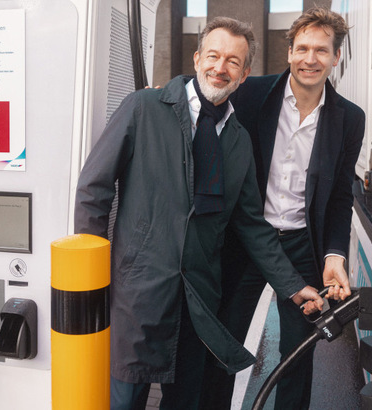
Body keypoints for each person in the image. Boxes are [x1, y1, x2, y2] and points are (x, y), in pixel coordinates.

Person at [73, 17, 325, 410]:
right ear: (196, 59)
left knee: (185, 399)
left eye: (232, 61)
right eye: (213, 55)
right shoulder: (144, 109)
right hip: (139, 291)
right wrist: (90, 277)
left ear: (244, 75)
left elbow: (252, 226)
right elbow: (94, 191)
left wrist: (293, 285)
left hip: (200, 301)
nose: (220, 68)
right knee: (125, 399)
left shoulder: (238, 140)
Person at [200, 7, 366, 409]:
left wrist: (334, 255)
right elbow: (205, 107)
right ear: (289, 52)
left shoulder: (350, 119)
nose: (311, 59)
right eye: (303, 48)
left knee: (297, 353)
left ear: (336, 58)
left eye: (322, 51)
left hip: (301, 247)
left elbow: (341, 195)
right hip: (246, 241)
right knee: (223, 343)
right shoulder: (252, 95)